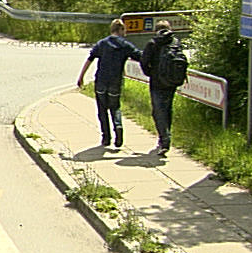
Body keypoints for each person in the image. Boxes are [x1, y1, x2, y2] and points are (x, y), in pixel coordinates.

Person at [76, 19, 146, 152]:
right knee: (115, 107)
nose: (125, 33)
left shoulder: (102, 43)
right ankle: (118, 126)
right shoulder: (125, 45)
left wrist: (81, 77)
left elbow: (90, 59)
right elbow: (140, 57)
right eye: (124, 30)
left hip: (101, 81)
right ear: (120, 29)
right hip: (115, 81)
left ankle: (106, 138)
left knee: (102, 110)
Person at [134, 22, 182, 156]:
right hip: (171, 81)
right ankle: (165, 136)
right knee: (167, 109)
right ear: (169, 29)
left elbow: (144, 62)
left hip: (157, 82)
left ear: (156, 30)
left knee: (158, 111)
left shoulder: (153, 43)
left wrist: (150, 73)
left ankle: (164, 139)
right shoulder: (175, 42)